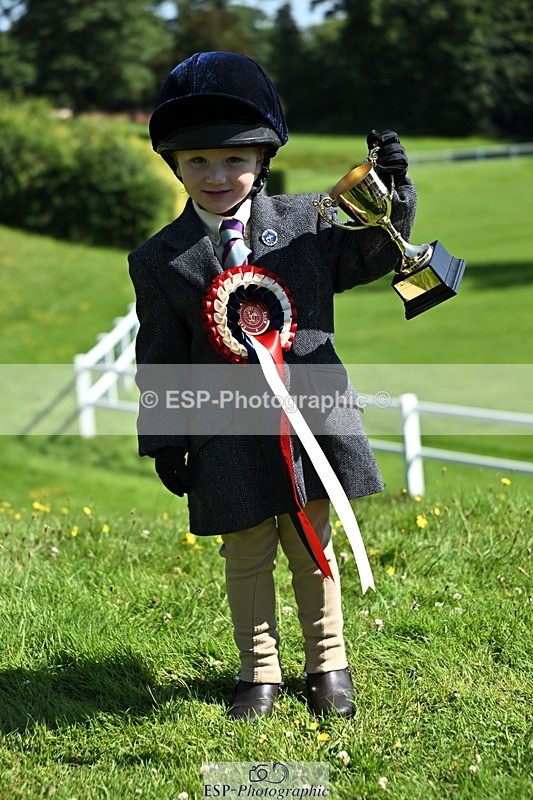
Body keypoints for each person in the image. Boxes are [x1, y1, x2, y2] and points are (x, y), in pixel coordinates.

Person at [129, 51, 416, 720]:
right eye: (196, 161)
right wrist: (164, 439)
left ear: (261, 159)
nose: (216, 175)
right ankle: (258, 672)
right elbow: (159, 354)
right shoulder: (157, 258)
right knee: (247, 553)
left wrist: (395, 200)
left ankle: (328, 664)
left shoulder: (307, 223)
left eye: (233, 160)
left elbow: (373, 255)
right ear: (174, 165)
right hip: (224, 434)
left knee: (313, 546)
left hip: (313, 422)